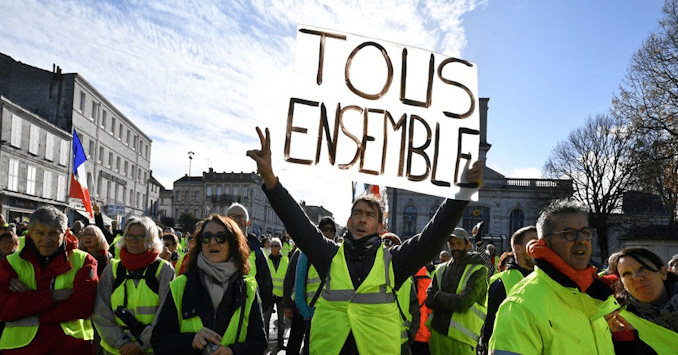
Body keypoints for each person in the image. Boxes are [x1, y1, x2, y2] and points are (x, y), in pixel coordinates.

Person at [247, 126, 482, 355]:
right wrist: (270, 179)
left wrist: (460, 195)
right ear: (349, 222)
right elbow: (297, 222)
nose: (362, 219)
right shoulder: (329, 254)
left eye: (370, 215)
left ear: (380, 226)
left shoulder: (394, 261)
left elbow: (433, 235)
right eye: (357, 214)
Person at [489, 199, 620, 354]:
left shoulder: (595, 297)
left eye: (586, 233)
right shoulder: (521, 306)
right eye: (569, 234)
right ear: (545, 243)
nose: (581, 241)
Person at [150, 214, 267, 355]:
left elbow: (259, 343)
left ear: (233, 243)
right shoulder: (180, 286)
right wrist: (191, 341)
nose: (212, 242)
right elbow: (159, 340)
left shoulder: (248, 289)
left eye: (220, 237)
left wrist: (233, 351)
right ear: (200, 243)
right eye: (206, 237)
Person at [0, 205, 98, 354]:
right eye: (40, 233)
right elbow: (4, 309)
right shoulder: (11, 262)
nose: (46, 240)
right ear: (31, 232)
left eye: (53, 233)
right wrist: (54, 295)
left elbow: (83, 307)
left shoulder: (84, 261)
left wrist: (29, 299)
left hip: (69, 348)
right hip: (22, 349)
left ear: (65, 233)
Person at [92, 216, 175, 355]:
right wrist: (122, 343)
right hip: (116, 350)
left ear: (150, 239)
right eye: (129, 236)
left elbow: (167, 315)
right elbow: (101, 311)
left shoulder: (163, 270)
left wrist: (140, 344)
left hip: (150, 349)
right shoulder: (112, 269)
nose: (133, 241)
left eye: (139, 237)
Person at [425, 227, 488, 355]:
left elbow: (462, 303)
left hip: (463, 340)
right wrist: (450, 299)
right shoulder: (441, 269)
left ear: (468, 245)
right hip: (438, 334)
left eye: (459, 243)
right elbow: (429, 301)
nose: (455, 248)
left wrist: (439, 295)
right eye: (452, 244)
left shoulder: (478, 270)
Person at [606, 247, 678, 354]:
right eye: (626, 274)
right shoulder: (620, 322)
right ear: (622, 284)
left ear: (663, 273)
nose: (636, 277)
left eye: (642, 268)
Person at [478, 225, 537, 355]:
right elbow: (490, 326)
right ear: (517, 248)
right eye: (534, 241)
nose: (539, 245)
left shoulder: (546, 279)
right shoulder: (500, 283)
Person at [294, 216, 336, 355]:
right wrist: (307, 315)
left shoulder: (339, 255)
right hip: (313, 316)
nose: (328, 233)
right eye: (325, 229)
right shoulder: (305, 254)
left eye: (331, 230)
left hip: (333, 317)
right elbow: (298, 290)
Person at [226, 202, 274, 313]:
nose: (237, 220)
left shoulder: (258, 251)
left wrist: (256, 311)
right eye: (233, 216)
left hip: (249, 312)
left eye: (241, 217)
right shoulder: (216, 247)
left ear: (248, 223)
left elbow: (266, 286)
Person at [264, 237, 289, 352]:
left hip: (281, 295)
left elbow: (289, 278)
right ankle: (264, 342)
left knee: (281, 321)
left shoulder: (286, 260)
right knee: (266, 320)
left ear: (280, 247)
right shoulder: (266, 260)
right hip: (269, 295)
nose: (274, 248)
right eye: (272, 245)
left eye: (276, 245)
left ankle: (280, 343)